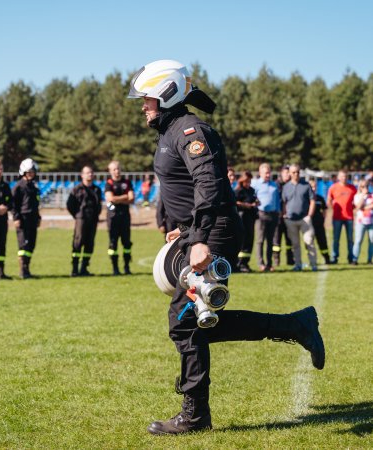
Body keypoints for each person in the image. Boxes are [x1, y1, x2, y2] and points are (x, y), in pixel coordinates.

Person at [128, 59, 325, 435]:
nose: (143, 106)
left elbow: (209, 184)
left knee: (185, 324)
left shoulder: (189, 129)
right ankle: (295, 325)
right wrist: (183, 230)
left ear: (166, 94)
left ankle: (196, 414)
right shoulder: (171, 131)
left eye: (148, 99)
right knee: (198, 323)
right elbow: (188, 189)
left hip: (212, 232)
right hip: (199, 231)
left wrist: (199, 237)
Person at [66, 165, 102, 276]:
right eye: (87, 173)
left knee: (89, 243)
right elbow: (69, 205)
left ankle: (84, 268)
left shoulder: (97, 189)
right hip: (81, 219)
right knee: (78, 242)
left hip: (93, 220)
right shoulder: (76, 190)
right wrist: (77, 215)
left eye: (91, 172)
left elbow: (98, 205)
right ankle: (75, 269)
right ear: (82, 175)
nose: (90, 174)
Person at [282, 164, 317, 271]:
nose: (296, 174)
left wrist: (310, 215)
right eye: (293, 172)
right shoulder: (286, 187)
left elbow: (312, 201)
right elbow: (284, 202)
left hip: (304, 219)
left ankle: (313, 264)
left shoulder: (306, 185)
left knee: (309, 241)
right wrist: (285, 215)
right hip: (291, 220)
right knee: (295, 244)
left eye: (297, 172)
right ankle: (298, 265)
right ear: (289, 173)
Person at [12, 158, 41, 279]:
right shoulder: (19, 187)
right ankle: (22, 271)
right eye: (29, 172)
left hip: (32, 219)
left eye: (33, 172)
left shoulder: (33, 187)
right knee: (23, 246)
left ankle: (27, 269)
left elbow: (36, 204)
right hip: (23, 219)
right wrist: (16, 218)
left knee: (31, 245)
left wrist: (38, 217)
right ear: (23, 172)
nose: (32, 174)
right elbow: (13, 205)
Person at [105, 161, 134, 275]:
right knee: (113, 243)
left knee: (126, 243)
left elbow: (131, 198)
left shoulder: (127, 182)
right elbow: (110, 198)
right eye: (114, 169)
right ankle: (115, 268)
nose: (116, 171)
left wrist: (118, 198)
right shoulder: (109, 183)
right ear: (110, 171)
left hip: (125, 217)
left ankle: (127, 267)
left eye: (118, 169)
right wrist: (125, 197)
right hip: (113, 217)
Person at [252, 163, 281, 272]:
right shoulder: (255, 185)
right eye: (266, 173)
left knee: (270, 241)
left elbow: (277, 200)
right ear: (260, 173)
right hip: (261, 215)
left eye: (269, 172)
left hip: (273, 215)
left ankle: (269, 264)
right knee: (260, 240)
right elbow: (251, 197)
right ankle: (261, 263)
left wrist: (278, 213)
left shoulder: (274, 185)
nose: (268, 175)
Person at [327, 170, 357, 264]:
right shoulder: (333, 187)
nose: (344, 178)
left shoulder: (352, 188)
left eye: (345, 176)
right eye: (342, 176)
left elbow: (357, 200)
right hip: (337, 217)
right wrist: (333, 208)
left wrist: (354, 207)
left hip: (349, 218)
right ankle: (334, 257)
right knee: (336, 239)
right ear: (338, 177)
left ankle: (351, 258)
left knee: (350, 239)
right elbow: (329, 200)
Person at [234, 171, 258, 272]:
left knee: (250, 240)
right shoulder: (239, 190)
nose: (248, 183)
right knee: (242, 241)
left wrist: (256, 202)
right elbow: (235, 202)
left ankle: (245, 263)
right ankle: (239, 263)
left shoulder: (251, 190)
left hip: (251, 217)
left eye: (250, 181)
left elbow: (254, 199)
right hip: (242, 217)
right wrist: (245, 205)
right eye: (246, 181)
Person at [273, 165, 294, 267]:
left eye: (289, 172)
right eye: (286, 172)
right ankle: (276, 260)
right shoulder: (276, 185)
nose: (288, 175)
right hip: (278, 217)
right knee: (276, 240)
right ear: (281, 173)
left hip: (289, 217)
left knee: (289, 240)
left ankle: (290, 260)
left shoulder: (291, 185)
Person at [309, 178, 331, 264]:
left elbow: (324, 210)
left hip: (319, 224)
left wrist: (323, 220)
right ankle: (312, 260)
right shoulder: (306, 198)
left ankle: (327, 258)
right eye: (312, 187)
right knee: (310, 243)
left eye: (315, 187)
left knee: (322, 242)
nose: (313, 188)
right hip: (309, 224)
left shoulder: (320, 198)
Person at [352, 180, 373, 264]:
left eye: (367, 186)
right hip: (360, 222)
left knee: (372, 241)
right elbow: (358, 207)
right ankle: (355, 259)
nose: (365, 188)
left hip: (371, 222)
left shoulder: (372, 195)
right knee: (358, 241)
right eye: (363, 186)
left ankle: (369, 259)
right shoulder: (357, 196)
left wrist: (365, 207)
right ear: (360, 187)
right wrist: (363, 197)